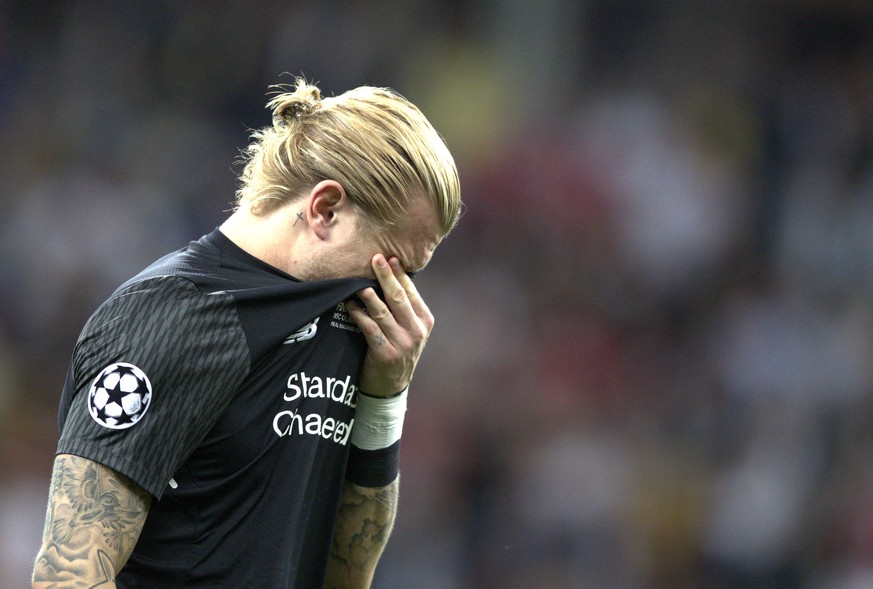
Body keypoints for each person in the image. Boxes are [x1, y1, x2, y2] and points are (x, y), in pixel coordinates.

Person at [31, 77, 462, 588]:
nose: (400, 296)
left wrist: (385, 401)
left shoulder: (350, 323)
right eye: (392, 265)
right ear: (325, 209)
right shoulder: (170, 319)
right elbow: (67, 575)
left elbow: (348, 576)